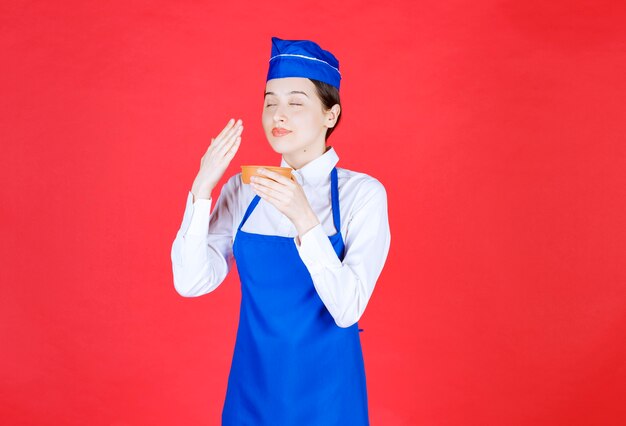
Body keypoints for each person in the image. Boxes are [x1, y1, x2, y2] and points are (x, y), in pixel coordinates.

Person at [170, 36, 391, 426]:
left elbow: (348, 309)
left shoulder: (363, 194)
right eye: (270, 102)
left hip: (329, 395)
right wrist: (202, 189)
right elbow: (192, 282)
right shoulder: (244, 189)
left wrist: (305, 218)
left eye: (295, 102)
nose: (278, 115)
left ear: (331, 115)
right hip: (251, 389)